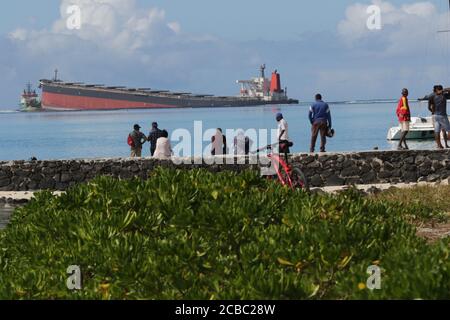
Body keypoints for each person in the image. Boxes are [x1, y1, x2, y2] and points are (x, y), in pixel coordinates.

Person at [428, 85, 450, 149]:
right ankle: (444, 144)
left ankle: (439, 145)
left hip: (435, 115)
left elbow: (429, 107)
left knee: (437, 131)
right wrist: (443, 90)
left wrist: (433, 111)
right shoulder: (443, 95)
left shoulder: (432, 96)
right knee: (449, 130)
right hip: (442, 115)